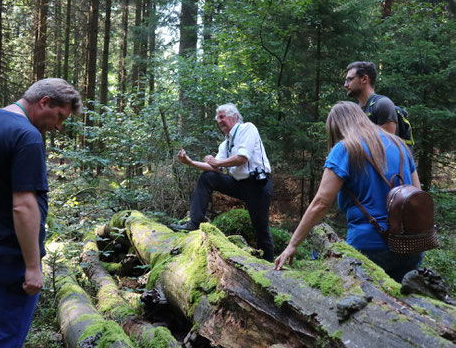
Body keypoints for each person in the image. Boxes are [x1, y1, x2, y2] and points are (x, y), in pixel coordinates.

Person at [0, 78, 82, 347]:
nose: (58, 126)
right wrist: (33, 268)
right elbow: (23, 206)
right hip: (9, 260)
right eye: (59, 116)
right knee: (1, 340)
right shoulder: (27, 136)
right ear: (44, 102)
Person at [274, 101, 423, 283]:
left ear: (337, 128)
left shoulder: (345, 148)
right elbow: (417, 195)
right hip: (411, 246)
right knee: (402, 307)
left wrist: (292, 245)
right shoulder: (400, 145)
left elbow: (321, 202)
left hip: (370, 247)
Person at [170, 103, 275, 262]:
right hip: (239, 184)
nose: (219, 121)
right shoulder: (225, 144)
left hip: (257, 185)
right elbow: (214, 167)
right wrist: (190, 162)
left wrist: (217, 162)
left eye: (222, 117)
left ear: (233, 116)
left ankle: (269, 267)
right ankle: (193, 222)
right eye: (217, 118)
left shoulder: (247, 129)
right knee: (207, 177)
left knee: (261, 229)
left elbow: (242, 158)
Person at [344, 61, 398, 134]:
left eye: (350, 79)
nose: (345, 85)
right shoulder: (353, 111)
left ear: (364, 79)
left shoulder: (383, 104)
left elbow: (387, 143)